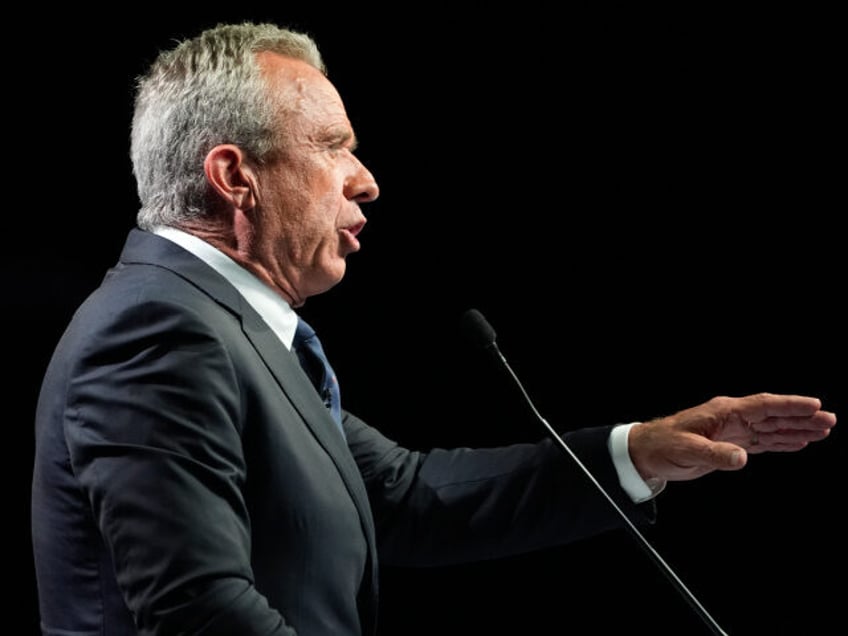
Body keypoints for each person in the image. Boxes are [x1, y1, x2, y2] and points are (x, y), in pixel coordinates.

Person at [30, 21, 836, 636]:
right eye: (334, 147)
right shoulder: (156, 334)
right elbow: (200, 612)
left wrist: (640, 450)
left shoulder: (220, 328)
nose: (366, 181)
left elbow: (407, 497)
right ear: (236, 176)